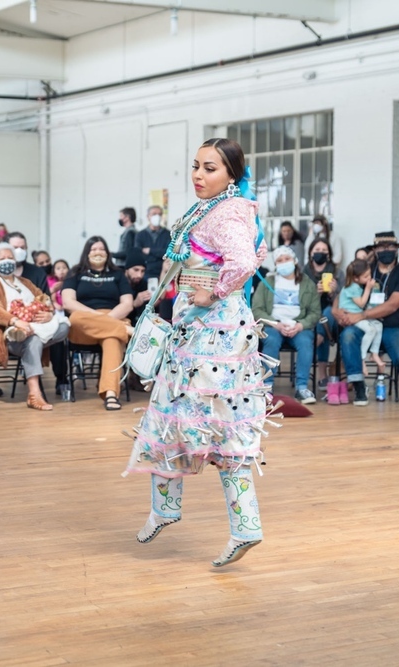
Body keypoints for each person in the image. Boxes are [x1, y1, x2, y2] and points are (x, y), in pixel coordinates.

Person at [125, 137, 268, 569]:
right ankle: (241, 525)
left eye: (210, 168)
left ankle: (176, 511)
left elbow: (243, 261)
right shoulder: (222, 208)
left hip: (210, 339)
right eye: (196, 166)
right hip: (206, 335)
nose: (198, 175)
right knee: (208, 427)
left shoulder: (225, 213)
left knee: (177, 419)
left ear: (232, 175)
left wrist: (214, 291)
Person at [332, 231, 399, 406]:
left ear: (396, 249)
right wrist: (337, 312)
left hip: (392, 326)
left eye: (390, 246)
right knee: (348, 336)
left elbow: (392, 305)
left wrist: (361, 314)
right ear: (375, 250)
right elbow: (345, 292)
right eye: (381, 247)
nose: (386, 250)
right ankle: (359, 387)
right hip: (361, 325)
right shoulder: (364, 270)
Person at [0, 243, 70, 411]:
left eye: (10, 258)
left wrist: (48, 313)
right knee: (32, 341)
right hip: (7, 333)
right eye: (2, 259)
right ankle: (34, 394)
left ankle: (31, 337)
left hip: (35, 327)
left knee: (64, 327)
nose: (7, 261)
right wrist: (15, 321)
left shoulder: (25, 282)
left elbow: (44, 299)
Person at [60, 236, 133, 411]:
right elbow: (68, 303)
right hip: (84, 323)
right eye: (93, 249)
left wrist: (108, 319)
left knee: (113, 340)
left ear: (107, 253)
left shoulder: (118, 274)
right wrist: (98, 317)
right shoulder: (75, 273)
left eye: (101, 249)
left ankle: (110, 394)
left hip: (113, 318)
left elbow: (127, 303)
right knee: (75, 318)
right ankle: (126, 330)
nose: (98, 252)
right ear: (87, 253)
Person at [252, 246, 319, 404]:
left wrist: (301, 325)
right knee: (271, 340)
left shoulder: (307, 283)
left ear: (295, 260)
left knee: (305, 343)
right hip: (274, 326)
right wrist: (276, 324)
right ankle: (267, 387)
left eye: (287, 259)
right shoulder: (267, 282)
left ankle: (302, 388)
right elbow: (257, 309)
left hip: (299, 326)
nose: (284, 263)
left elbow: (315, 312)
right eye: (279, 261)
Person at [337, 258, 386, 378]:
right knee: (371, 330)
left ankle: (374, 353)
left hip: (358, 315)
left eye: (369, 274)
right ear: (355, 278)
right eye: (366, 276)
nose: (369, 278)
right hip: (351, 316)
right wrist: (369, 288)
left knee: (379, 325)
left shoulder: (357, 285)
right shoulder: (351, 287)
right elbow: (361, 304)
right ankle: (362, 358)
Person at [303, 239, 339, 383]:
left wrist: (333, 292)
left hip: (333, 315)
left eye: (324, 251)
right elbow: (300, 302)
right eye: (317, 250)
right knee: (322, 323)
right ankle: (322, 375)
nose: (320, 253)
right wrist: (315, 294)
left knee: (326, 316)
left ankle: (317, 341)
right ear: (311, 253)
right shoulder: (302, 273)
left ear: (329, 254)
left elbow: (345, 300)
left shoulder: (338, 272)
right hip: (309, 314)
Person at [134, 205, 171, 280]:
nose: (157, 216)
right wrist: (159, 252)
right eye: (154, 214)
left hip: (163, 272)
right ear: (148, 216)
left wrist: (150, 251)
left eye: (159, 214)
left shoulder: (168, 234)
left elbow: (168, 253)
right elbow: (138, 253)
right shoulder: (140, 235)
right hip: (145, 273)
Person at [124, 253, 151, 323]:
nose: (139, 275)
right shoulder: (117, 282)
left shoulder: (143, 284)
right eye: (136, 270)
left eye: (142, 271)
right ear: (127, 269)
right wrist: (134, 304)